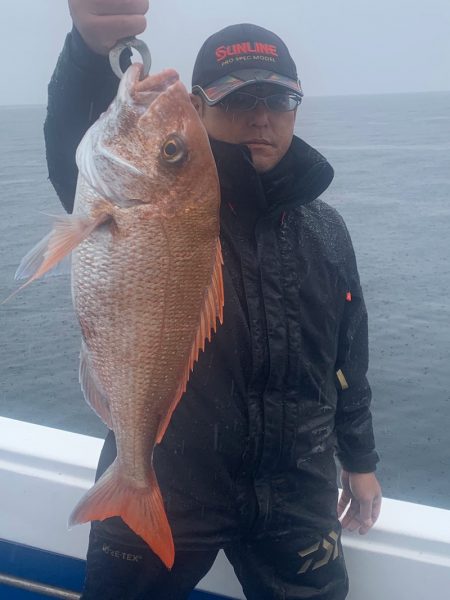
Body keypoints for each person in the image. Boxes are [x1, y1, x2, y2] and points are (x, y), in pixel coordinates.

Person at [45, 2, 382, 598]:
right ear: (197, 109)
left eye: (278, 101)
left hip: (296, 492)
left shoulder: (326, 230)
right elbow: (84, 144)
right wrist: (89, 49)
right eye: (237, 100)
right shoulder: (164, 202)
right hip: (172, 481)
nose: (260, 118)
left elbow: (346, 354)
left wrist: (360, 459)